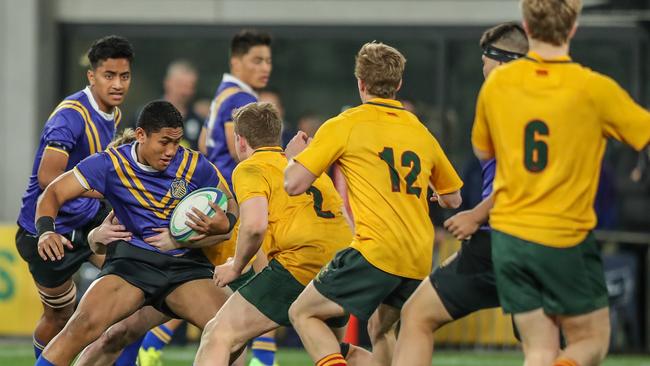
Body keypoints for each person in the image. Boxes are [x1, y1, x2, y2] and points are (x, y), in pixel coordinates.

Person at [471, 1, 650, 365]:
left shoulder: (496, 85)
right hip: (563, 238)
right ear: (573, 29)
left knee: (539, 348)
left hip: (508, 239)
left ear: (527, 25)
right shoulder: (594, 88)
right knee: (592, 341)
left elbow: (483, 151)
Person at [284, 41, 464, 366]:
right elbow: (454, 197)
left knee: (303, 313)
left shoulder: (346, 124)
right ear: (398, 85)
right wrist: (433, 193)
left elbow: (293, 185)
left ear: (361, 83)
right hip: (418, 255)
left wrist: (292, 159)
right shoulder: (420, 130)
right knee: (380, 328)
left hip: (376, 250)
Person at [33, 100, 238, 366]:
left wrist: (228, 222)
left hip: (185, 268)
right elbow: (53, 192)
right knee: (81, 328)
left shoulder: (193, 164)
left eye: (176, 142)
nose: (171, 151)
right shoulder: (109, 164)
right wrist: (46, 231)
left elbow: (230, 201)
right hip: (132, 265)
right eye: (164, 142)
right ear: (141, 135)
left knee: (232, 332)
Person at [391, 22, 528, 366]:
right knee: (538, 341)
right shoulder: (542, 103)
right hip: (535, 243)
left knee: (416, 315)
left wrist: (475, 214)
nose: (483, 71)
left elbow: (521, 179)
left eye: (484, 63)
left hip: (500, 240)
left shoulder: (508, 103)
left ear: (500, 61)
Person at [193, 102, 370, 365]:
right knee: (337, 350)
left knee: (218, 334)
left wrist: (235, 266)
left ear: (240, 141)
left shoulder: (250, 168)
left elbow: (254, 226)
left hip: (301, 265)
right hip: (344, 264)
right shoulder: (305, 166)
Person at [14, 35, 133, 360]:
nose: (118, 84)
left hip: (89, 218)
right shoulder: (70, 117)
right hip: (49, 229)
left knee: (135, 289)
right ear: (91, 76)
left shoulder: (114, 114)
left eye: (124, 76)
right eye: (109, 76)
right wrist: (111, 190)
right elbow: (49, 178)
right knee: (59, 316)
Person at [200, 28, 272, 188]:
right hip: (237, 189)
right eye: (257, 61)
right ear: (236, 63)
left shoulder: (223, 93)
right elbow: (241, 151)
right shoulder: (243, 98)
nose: (266, 68)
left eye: (268, 61)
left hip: (217, 186)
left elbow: (203, 143)